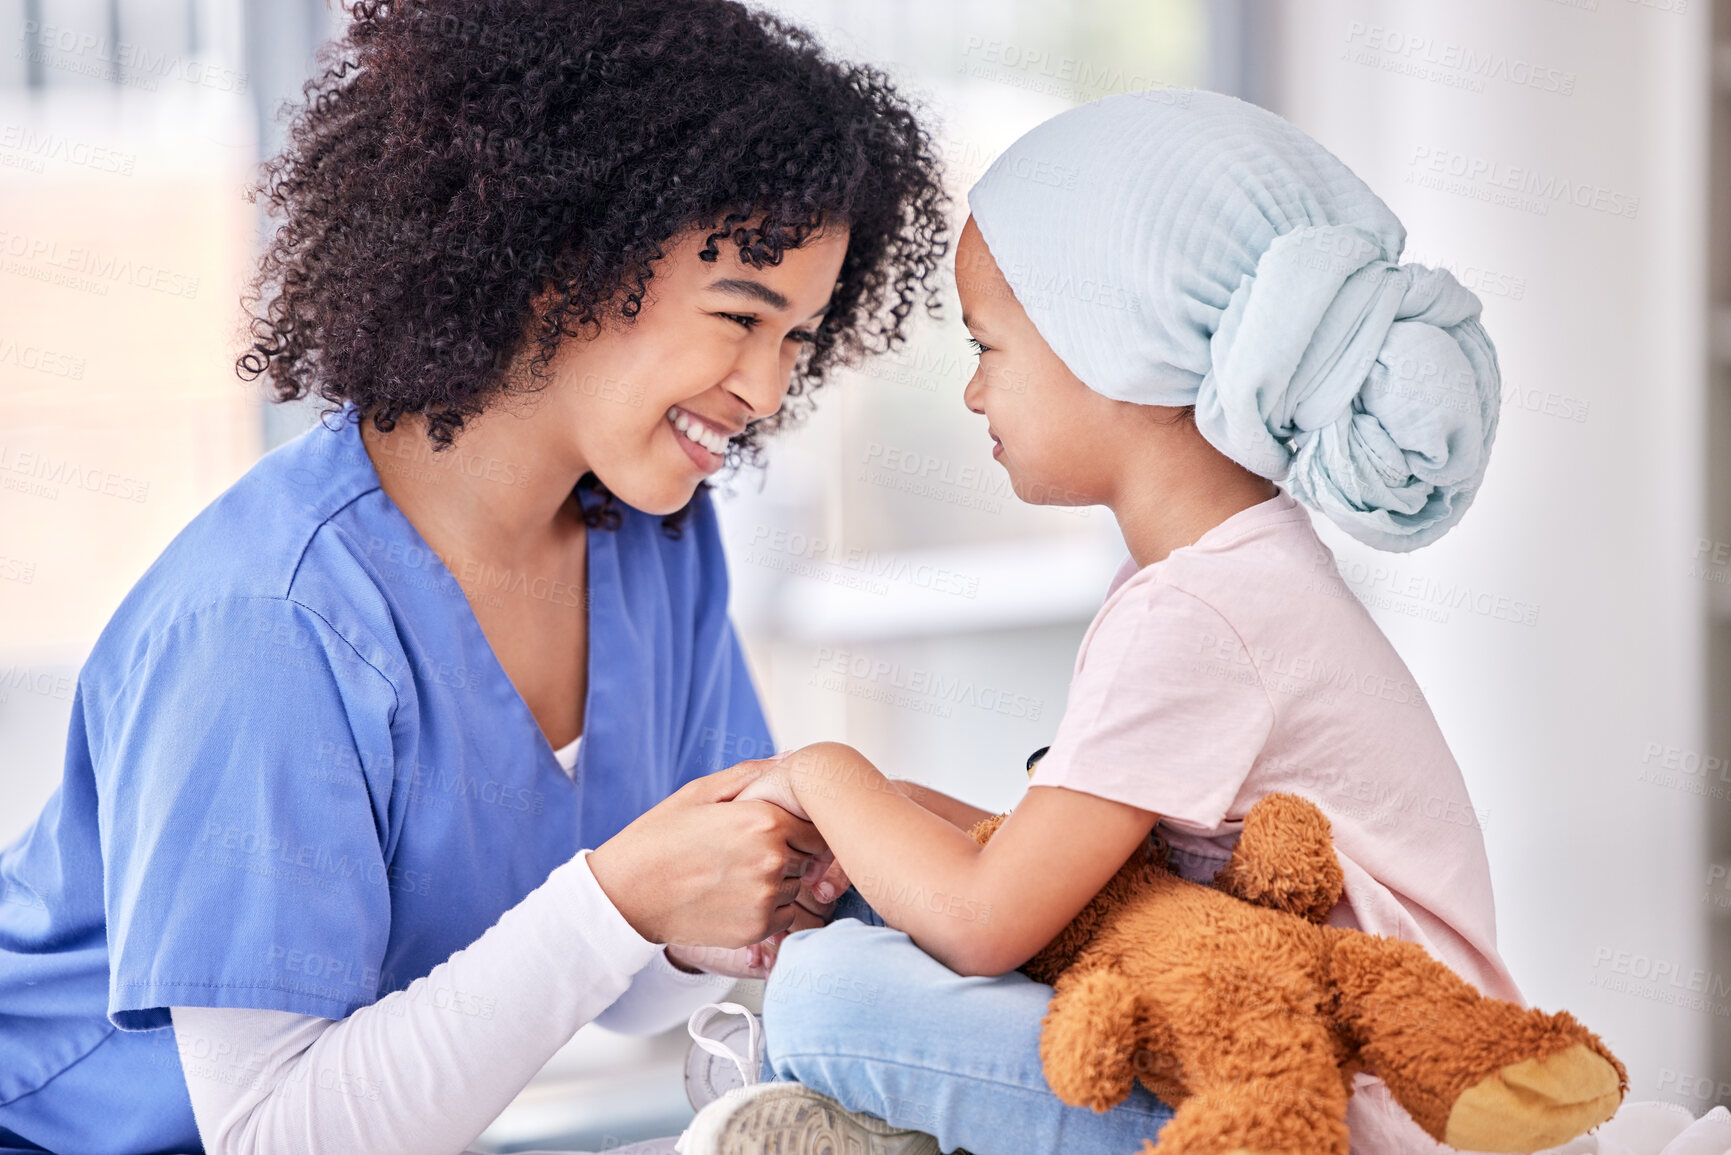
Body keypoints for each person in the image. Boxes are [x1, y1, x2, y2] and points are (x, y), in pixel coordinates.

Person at [0, 2, 951, 1152]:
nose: (765, 390)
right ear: (567, 260)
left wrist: (727, 908)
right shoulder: (272, 620)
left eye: (799, 337)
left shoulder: (655, 542)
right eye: (740, 317)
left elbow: (631, 986)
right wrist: (619, 896)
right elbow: (276, 1134)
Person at [677, 90, 1521, 1155]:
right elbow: (1064, 867)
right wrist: (872, 822)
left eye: (988, 345)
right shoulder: (1229, 571)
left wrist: (822, 771)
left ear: (1116, 343)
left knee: (829, 998)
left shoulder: (1198, 613)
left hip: (1334, 1107)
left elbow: (989, 922)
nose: (974, 393)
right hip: (1271, 1040)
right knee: (869, 911)